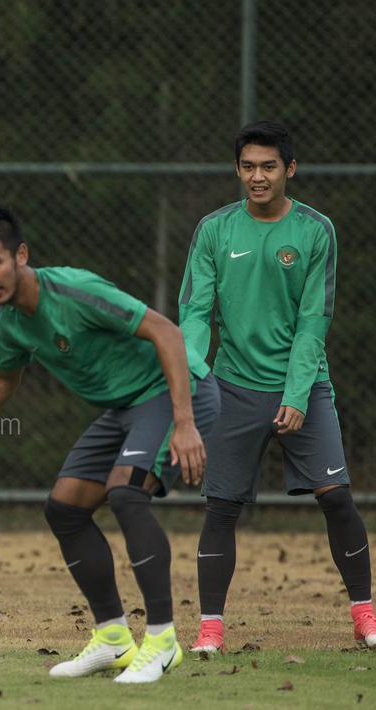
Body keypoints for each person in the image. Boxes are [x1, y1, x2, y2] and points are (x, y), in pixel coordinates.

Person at [0, 202, 219, 684]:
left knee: (126, 494)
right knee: (64, 507)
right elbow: (3, 378)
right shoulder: (14, 323)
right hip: (126, 407)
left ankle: (163, 642)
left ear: (21, 255)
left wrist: (184, 422)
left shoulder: (74, 290)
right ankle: (112, 639)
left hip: (175, 390)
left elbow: (165, 331)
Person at [180, 120, 375, 652]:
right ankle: (210, 631)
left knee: (336, 498)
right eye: (248, 167)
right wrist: (191, 373)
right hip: (233, 389)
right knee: (221, 507)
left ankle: (365, 619)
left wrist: (295, 394)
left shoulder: (316, 230)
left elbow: (314, 320)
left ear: (289, 169)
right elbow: (196, 314)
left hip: (304, 387)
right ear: (237, 170)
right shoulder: (214, 230)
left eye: (268, 167)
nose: (257, 177)